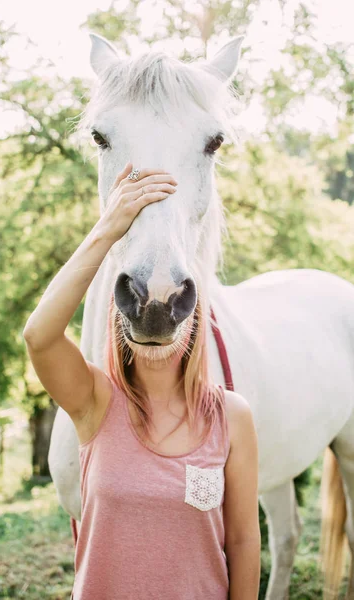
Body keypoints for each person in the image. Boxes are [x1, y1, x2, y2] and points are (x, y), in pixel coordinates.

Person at [23, 162, 261, 600]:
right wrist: (108, 229)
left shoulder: (231, 416)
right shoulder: (94, 401)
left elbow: (244, 540)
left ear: (194, 313)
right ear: (120, 311)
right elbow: (39, 337)